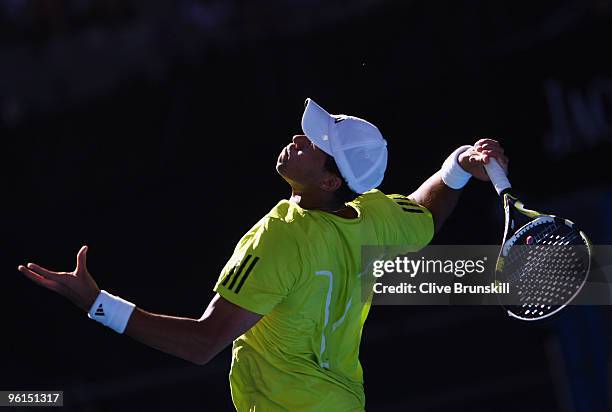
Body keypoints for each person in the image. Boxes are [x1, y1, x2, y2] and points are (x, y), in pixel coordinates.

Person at [18, 98, 508, 411]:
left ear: (330, 181)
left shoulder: (279, 239)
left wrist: (96, 304)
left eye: (314, 144)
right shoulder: (375, 218)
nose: (297, 139)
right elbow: (426, 214)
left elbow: (202, 343)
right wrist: (460, 165)